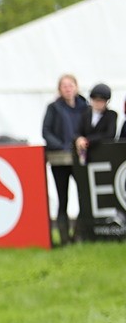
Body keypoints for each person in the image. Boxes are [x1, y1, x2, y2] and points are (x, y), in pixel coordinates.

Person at [41, 75, 87, 245]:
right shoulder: (54, 108)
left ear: (76, 87)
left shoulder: (84, 107)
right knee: (63, 198)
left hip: (79, 159)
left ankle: (79, 234)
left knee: (84, 196)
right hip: (60, 159)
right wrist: (61, 146)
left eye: (70, 85)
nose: (68, 89)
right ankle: (64, 238)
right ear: (59, 89)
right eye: (64, 86)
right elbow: (46, 131)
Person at [74, 84, 118, 159]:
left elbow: (110, 134)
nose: (97, 103)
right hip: (86, 153)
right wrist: (79, 138)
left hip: (104, 153)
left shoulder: (111, 115)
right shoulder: (85, 113)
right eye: (95, 99)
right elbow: (77, 131)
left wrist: (88, 140)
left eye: (101, 100)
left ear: (106, 102)